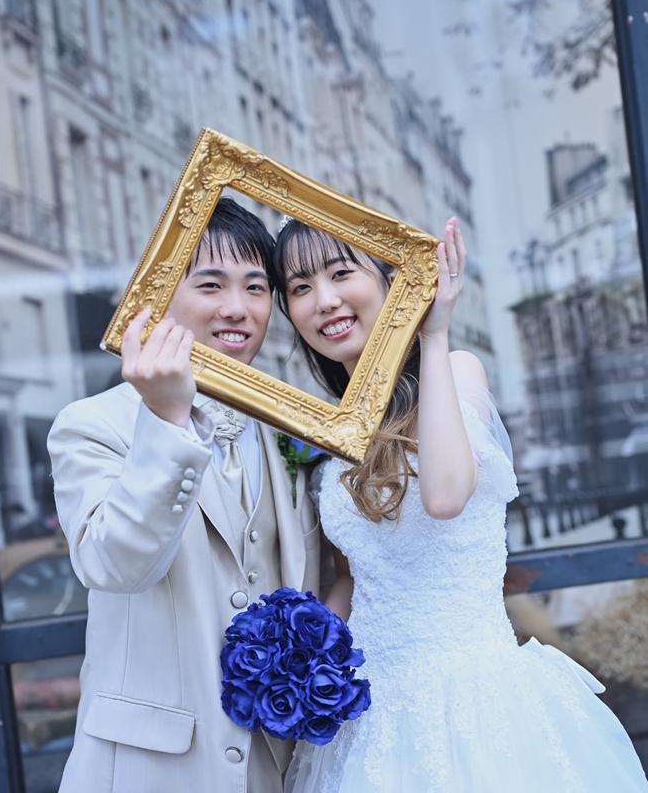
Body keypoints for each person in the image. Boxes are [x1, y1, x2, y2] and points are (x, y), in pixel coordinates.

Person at [274, 215, 648, 793]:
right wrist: (303, 648)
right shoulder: (333, 429)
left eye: (340, 273)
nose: (324, 300)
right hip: (369, 714)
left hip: (475, 700)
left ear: (391, 280)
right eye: (300, 287)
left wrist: (434, 332)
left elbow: (445, 495)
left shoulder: (455, 369)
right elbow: (355, 575)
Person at [48, 198, 321, 793]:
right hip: (152, 767)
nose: (237, 307)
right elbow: (112, 565)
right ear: (162, 294)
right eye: (211, 285)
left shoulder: (287, 426)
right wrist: (167, 421)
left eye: (255, 287)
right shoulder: (91, 424)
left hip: (276, 761)